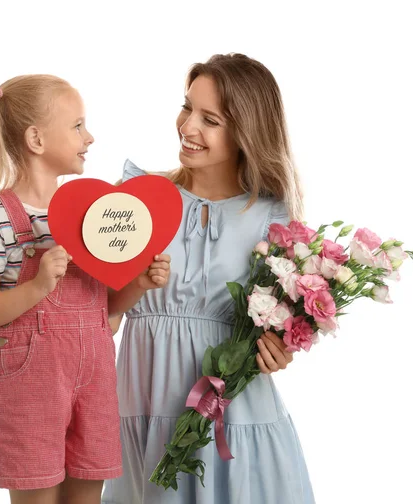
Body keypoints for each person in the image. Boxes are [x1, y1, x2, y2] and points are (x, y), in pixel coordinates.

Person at [102, 54, 314, 503]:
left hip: (235, 424)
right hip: (144, 409)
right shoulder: (135, 199)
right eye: (187, 107)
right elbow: (101, 317)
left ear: (246, 132)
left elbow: (274, 327)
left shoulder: (273, 219)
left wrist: (278, 351)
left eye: (210, 119)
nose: (187, 127)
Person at [0, 74, 171, 504]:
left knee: (88, 493)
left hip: (93, 379)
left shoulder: (89, 215)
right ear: (36, 138)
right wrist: (38, 285)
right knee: (37, 491)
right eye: (77, 125)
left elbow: (103, 317)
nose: (89, 137)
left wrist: (138, 284)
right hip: (30, 382)